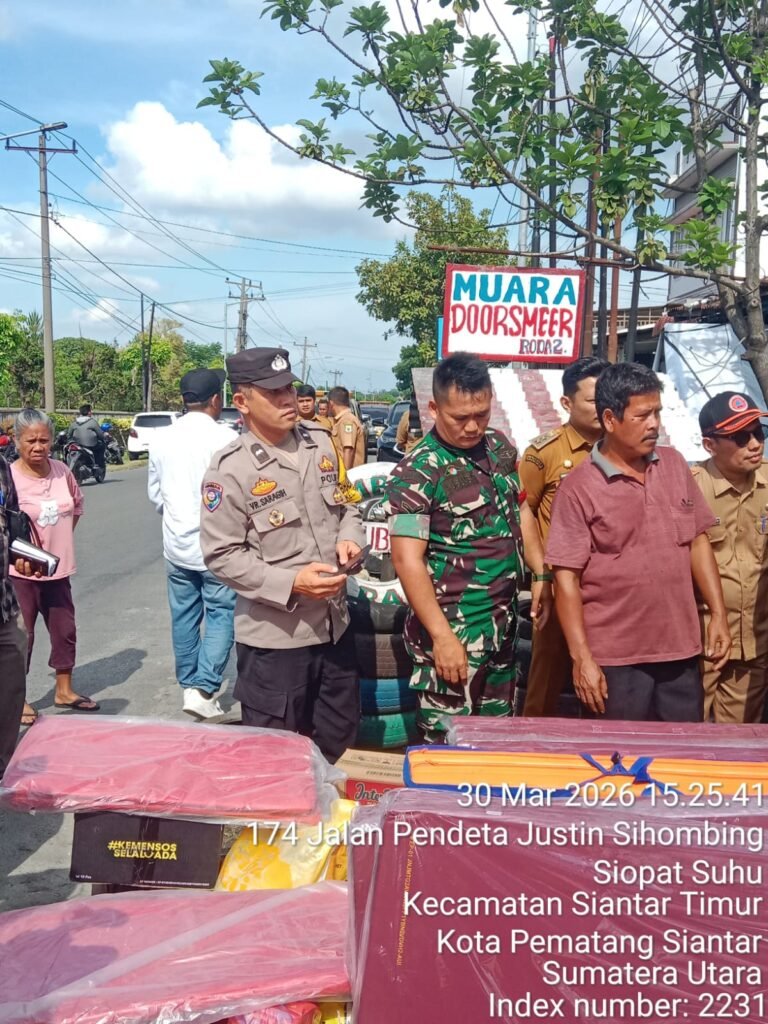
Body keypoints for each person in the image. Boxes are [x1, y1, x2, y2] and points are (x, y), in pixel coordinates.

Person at [200, 347, 365, 761]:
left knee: (339, 735)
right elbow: (222, 555)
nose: (288, 399)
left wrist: (351, 538)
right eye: (273, 392)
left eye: (289, 388)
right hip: (276, 641)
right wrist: (291, 582)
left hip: (334, 627)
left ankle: (325, 822)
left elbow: (349, 506)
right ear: (242, 402)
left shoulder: (322, 445)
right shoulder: (230, 469)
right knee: (274, 754)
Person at [546, 363, 731, 721]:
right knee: (617, 766)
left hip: (681, 653)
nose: (654, 424)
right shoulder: (578, 488)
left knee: (679, 763)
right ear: (611, 419)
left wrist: (718, 616)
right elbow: (565, 578)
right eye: (643, 415)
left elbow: (697, 543)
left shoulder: (675, 466)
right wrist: (581, 657)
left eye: (657, 412)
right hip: (614, 662)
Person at [387, 352, 553, 742]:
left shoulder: (498, 448)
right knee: (445, 748)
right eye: (460, 418)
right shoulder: (418, 471)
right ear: (434, 408)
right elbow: (406, 559)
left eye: (482, 413)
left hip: (502, 628)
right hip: (453, 634)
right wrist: (442, 638)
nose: (473, 426)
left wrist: (541, 572)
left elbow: (523, 510)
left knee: (494, 742)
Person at [519, 356, 609, 716]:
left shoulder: (624, 448)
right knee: (545, 681)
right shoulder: (543, 454)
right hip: (559, 588)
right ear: (567, 403)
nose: (602, 408)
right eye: (592, 400)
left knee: (608, 684)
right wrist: (540, 575)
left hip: (609, 592)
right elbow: (524, 514)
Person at [148, 368, 237, 720]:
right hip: (218, 545)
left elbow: (156, 495)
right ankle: (202, 687)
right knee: (221, 613)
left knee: (184, 614)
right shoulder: (227, 439)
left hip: (177, 545)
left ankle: (189, 682)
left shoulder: (162, 438)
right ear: (217, 399)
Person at [10, 408, 99, 716]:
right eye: (31, 441)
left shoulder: (62, 470)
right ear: (17, 441)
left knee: (64, 629)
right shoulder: (8, 478)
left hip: (58, 570)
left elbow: (76, 506)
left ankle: (64, 690)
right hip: (19, 574)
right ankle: (15, 699)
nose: (38, 447)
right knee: (22, 637)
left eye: (44, 440)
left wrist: (56, 545)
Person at [691, 392, 768, 723]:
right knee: (686, 737)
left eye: (758, 433)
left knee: (737, 744)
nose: (754, 444)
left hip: (754, 643)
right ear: (709, 445)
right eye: (740, 437)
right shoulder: (690, 488)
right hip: (700, 642)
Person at [0, 454, 37, 775]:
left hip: (4, 604)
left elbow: (10, 520)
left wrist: (21, 551)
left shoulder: (1, 466)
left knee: (11, 685)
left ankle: (4, 765)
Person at [328, 386, 366, 469]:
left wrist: (345, 478)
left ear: (331, 403)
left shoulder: (347, 421)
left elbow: (348, 450)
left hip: (348, 475)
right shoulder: (341, 420)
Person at [67, 403, 105, 472]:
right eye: (91, 411)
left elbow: (69, 435)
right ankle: (99, 464)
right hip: (91, 445)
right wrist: (103, 438)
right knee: (101, 447)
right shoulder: (92, 422)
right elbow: (100, 434)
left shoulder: (74, 423)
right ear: (89, 412)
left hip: (77, 445)